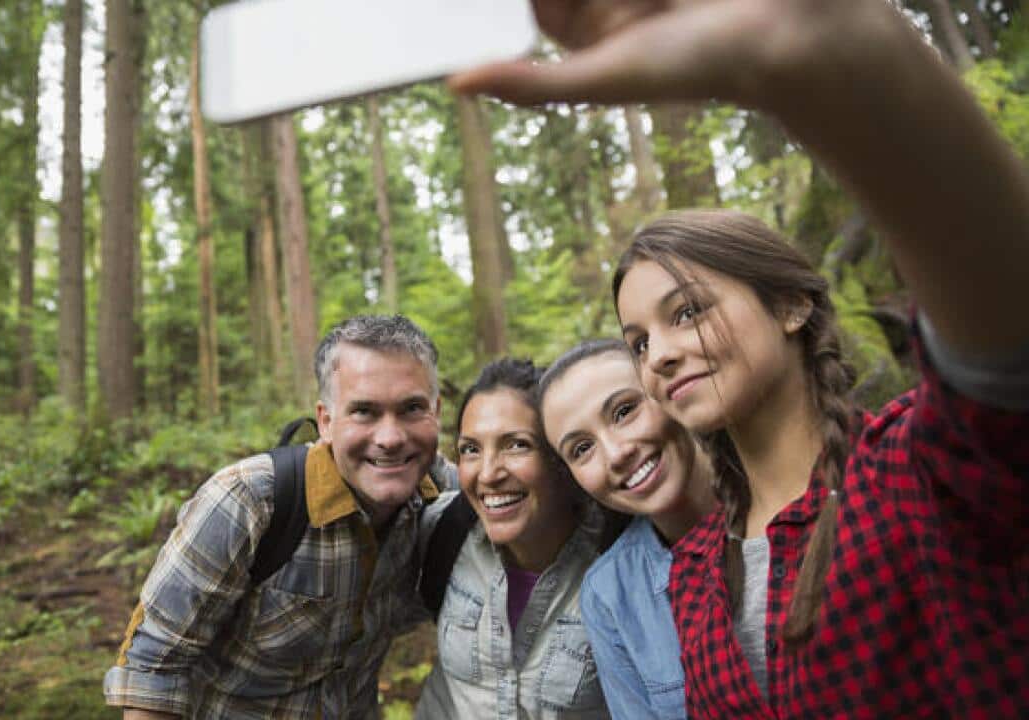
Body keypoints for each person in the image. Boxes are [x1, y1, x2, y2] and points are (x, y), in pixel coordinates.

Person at [454, 1, 1029, 716]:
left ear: (789, 306)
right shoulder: (693, 578)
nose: (659, 355)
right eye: (638, 342)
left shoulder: (915, 470)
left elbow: (1006, 341)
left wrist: (854, 54)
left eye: (687, 311)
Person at [104, 315, 456, 719]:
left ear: (437, 412)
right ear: (326, 421)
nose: (391, 438)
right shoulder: (248, 500)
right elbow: (153, 668)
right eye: (364, 412)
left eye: (412, 408)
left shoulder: (444, 492)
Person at [415, 358, 625, 719]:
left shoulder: (620, 560)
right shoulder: (441, 533)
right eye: (471, 449)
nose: (488, 473)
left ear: (560, 457)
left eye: (516, 445)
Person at [540, 339, 715, 720]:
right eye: (582, 448)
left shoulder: (790, 499)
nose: (617, 453)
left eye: (624, 411)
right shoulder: (611, 594)